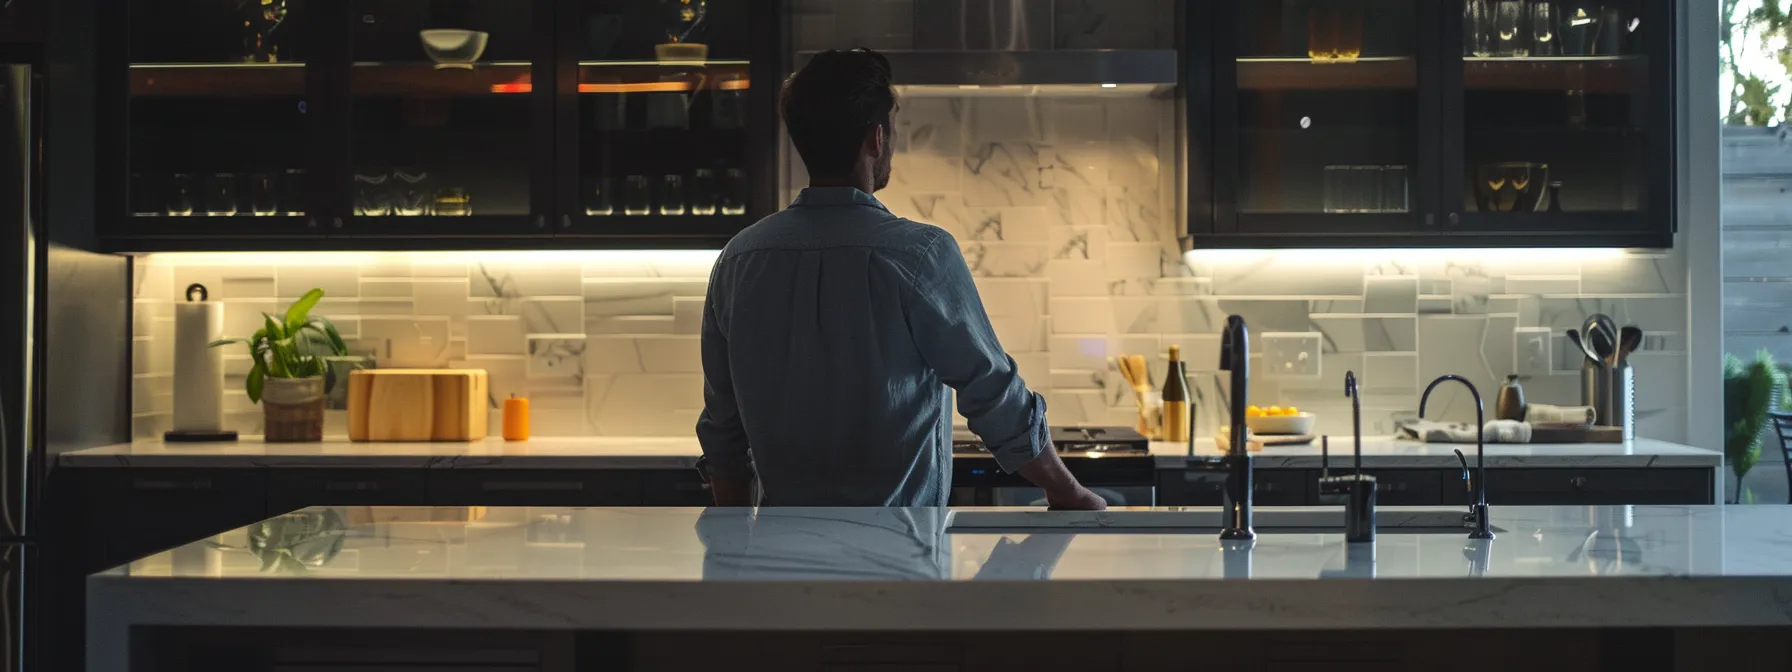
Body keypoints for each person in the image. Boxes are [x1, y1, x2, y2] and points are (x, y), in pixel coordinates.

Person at [694, 48, 1105, 510]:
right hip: (900, 557)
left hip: (781, 560)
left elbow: (723, 431)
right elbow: (992, 392)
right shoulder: (919, 254)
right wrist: (1067, 491)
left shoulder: (738, 260)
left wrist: (732, 543)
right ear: (876, 138)